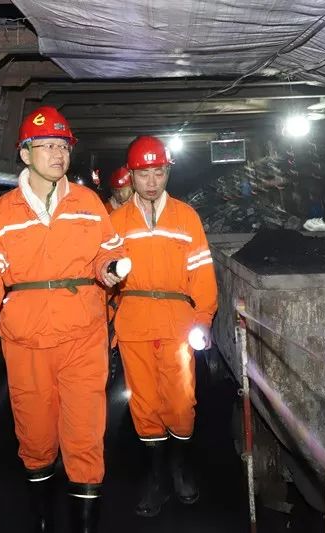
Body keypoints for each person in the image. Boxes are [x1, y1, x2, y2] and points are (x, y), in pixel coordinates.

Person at [0, 105, 126, 533]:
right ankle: (41, 518)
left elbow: (109, 249)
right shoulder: (2, 213)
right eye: (48, 146)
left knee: (85, 432)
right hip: (26, 340)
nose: (59, 154)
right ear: (25, 154)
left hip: (83, 336)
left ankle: (84, 525)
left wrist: (109, 267)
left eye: (64, 147)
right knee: (35, 435)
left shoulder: (88, 203)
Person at [109, 135, 218, 517]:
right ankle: (156, 476)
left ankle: (179, 466)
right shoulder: (115, 223)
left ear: (167, 172)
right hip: (134, 321)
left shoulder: (186, 218)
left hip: (176, 322)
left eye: (159, 172)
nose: (152, 181)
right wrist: (105, 324)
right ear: (131, 175)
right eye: (144, 174)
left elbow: (201, 273)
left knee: (181, 402)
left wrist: (204, 319)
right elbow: (103, 278)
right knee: (144, 403)